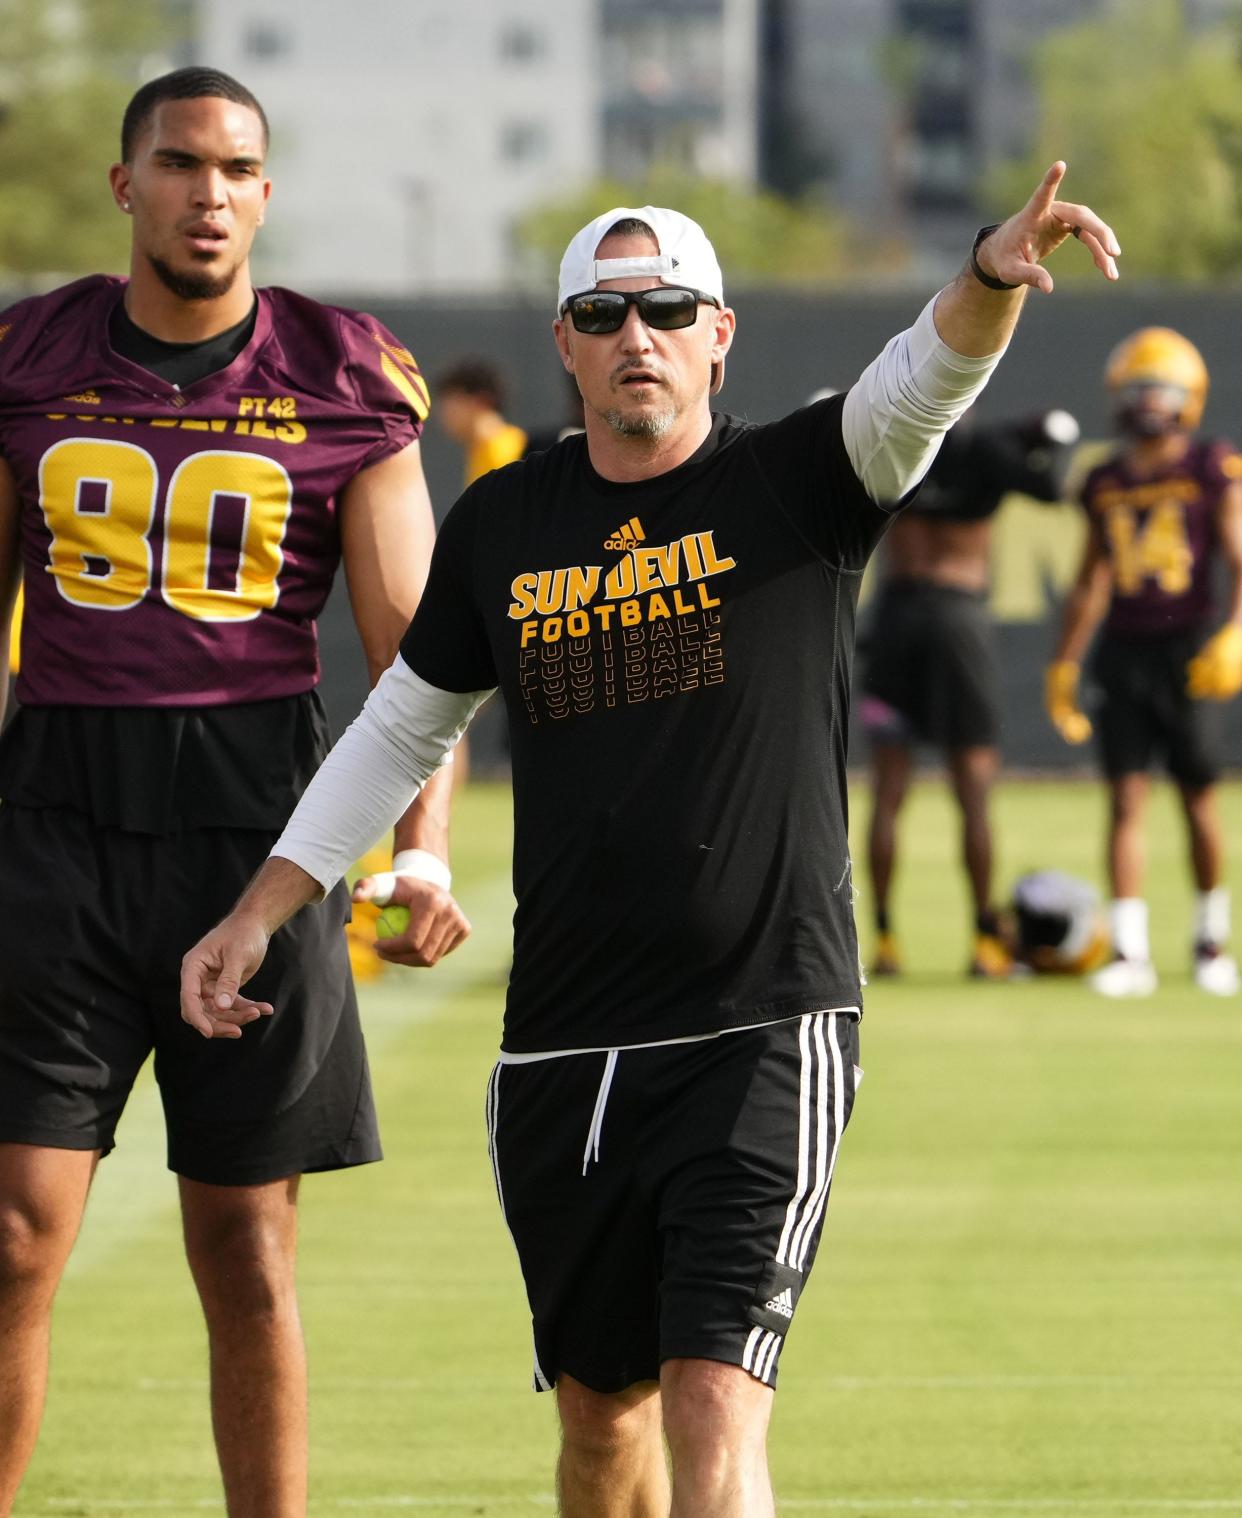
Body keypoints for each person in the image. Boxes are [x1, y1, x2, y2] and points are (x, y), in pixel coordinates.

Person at [182, 167, 1118, 1517]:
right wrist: (263, 905)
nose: (638, 335)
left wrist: (983, 273)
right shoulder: (507, 521)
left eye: (667, 308)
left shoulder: (800, 478)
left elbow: (927, 377)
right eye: (603, 313)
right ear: (562, 341)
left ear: (717, 331)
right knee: (597, 1421)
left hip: (759, 1025)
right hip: (562, 1041)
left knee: (709, 1405)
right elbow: (401, 726)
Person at [0, 67, 469, 1518]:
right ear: (124, 185)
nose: (211, 192)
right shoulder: (29, 355)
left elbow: (421, 654)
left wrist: (421, 853)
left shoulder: (340, 369)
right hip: (57, 815)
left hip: (262, 839)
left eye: (239, 168)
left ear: (266, 193)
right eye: (182, 163)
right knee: (16, 1233)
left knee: (246, 1248)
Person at [1046, 326, 1242, 997]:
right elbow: (1090, 580)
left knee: (1198, 800)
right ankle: (1130, 952)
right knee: (1126, 797)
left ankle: (1210, 939)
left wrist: (1235, 632)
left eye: (1158, 388)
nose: (1146, 401)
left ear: (1188, 396)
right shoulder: (1103, 479)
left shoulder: (1211, 465)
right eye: (1136, 388)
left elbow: (1240, 558)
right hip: (1123, 651)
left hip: (1187, 647)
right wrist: (1064, 666)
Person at [859, 405, 1081, 978]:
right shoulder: (986, 450)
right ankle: (985, 942)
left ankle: (884, 942)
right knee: (974, 792)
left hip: (895, 621)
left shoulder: (895, 445)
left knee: (887, 793)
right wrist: (1041, 443)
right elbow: (1052, 490)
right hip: (959, 622)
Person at [435, 358, 528, 485]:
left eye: (453, 402)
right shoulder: (479, 452)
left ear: (480, 400)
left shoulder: (503, 451)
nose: (444, 413)